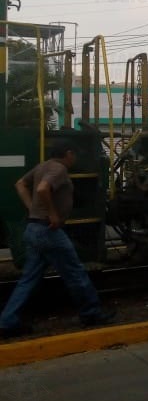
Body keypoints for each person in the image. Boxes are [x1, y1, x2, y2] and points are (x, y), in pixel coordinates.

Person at [0, 142, 115, 338]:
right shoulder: (59, 168)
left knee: (28, 279)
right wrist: (52, 215)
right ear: (68, 154)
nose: (75, 159)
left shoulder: (42, 166)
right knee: (76, 273)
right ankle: (91, 314)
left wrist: (32, 209)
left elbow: (20, 184)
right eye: (74, 155)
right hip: (48, 231)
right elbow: (43, 189)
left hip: (33, 228)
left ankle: (7, 322)